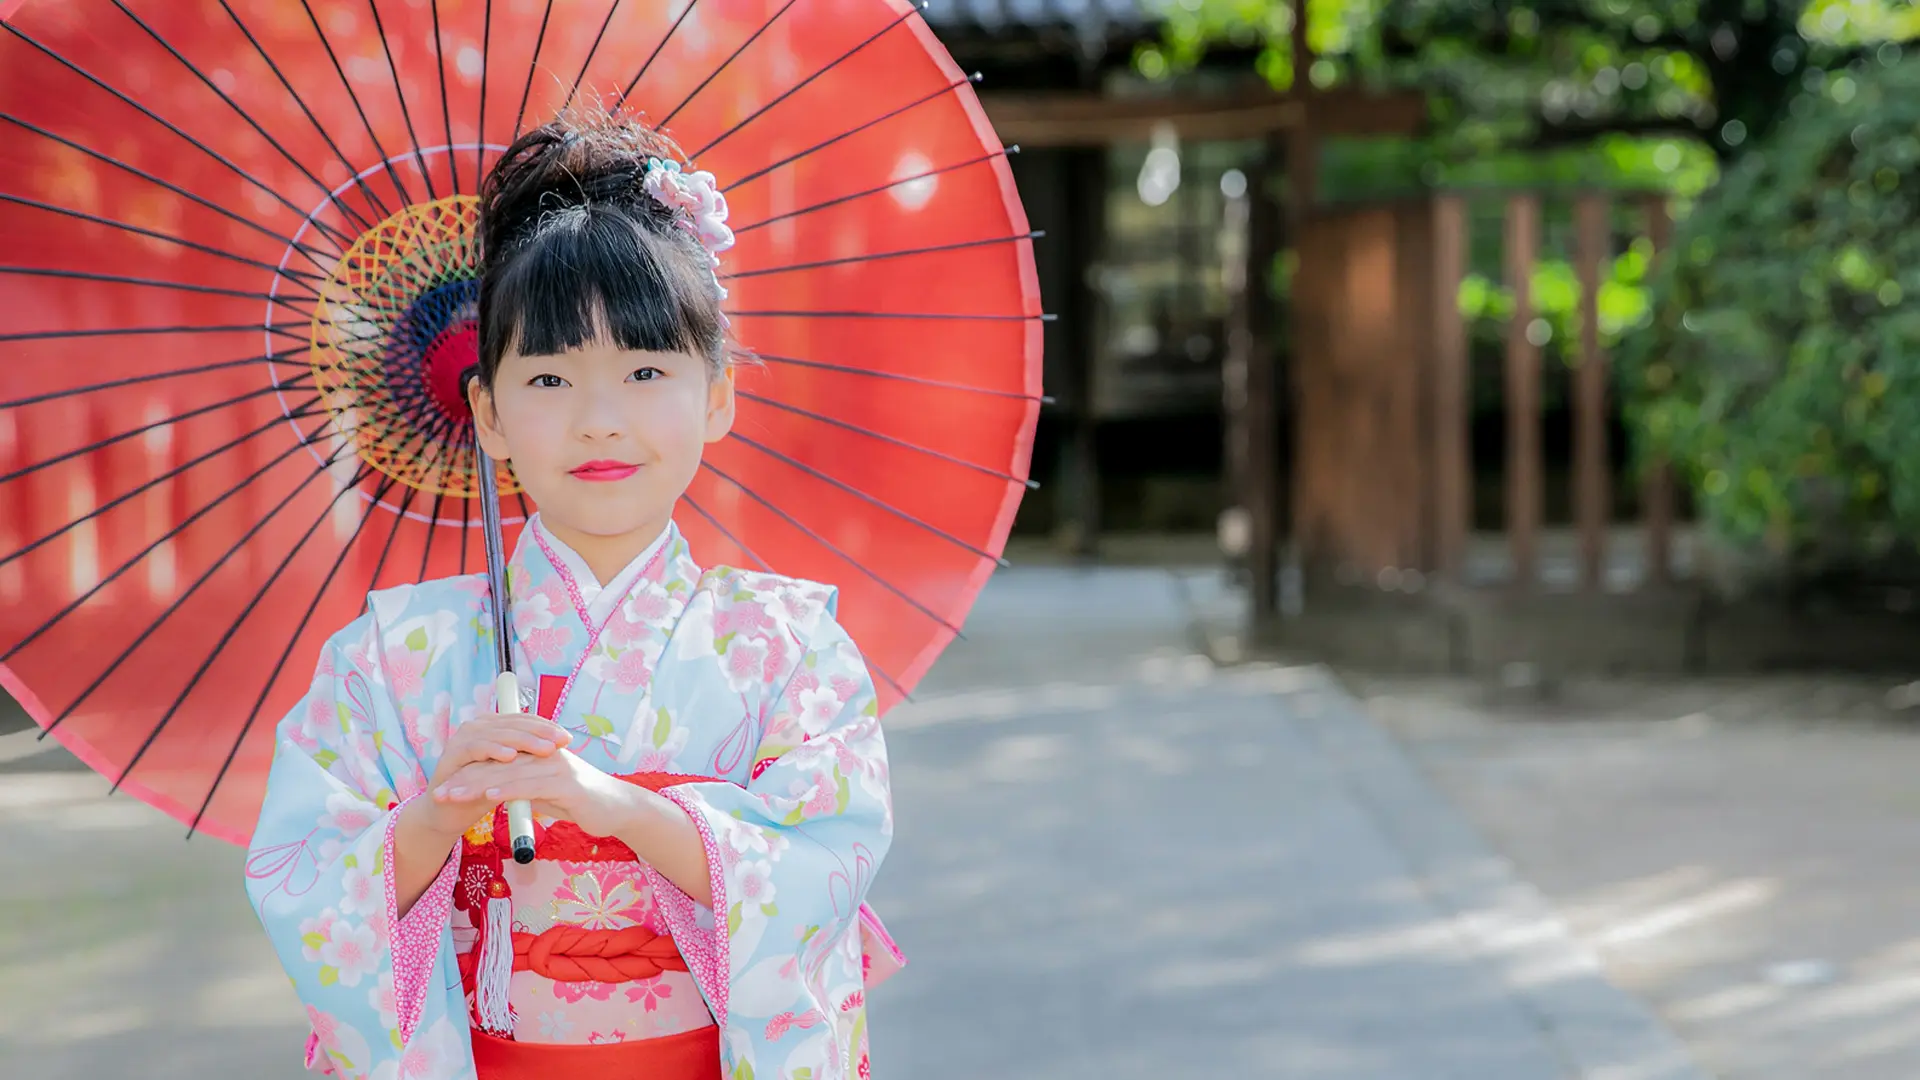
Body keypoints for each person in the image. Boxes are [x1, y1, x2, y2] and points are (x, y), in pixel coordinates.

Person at [245, 110, 902, 1080]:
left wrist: (619, 809)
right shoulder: (392, 656)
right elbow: (303, 878)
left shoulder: (788, 647)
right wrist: (437, 815)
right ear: (489, 413)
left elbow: (824, 864)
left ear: (716, 395)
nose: (600, 420)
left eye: (645, 370)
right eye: (548, 377)